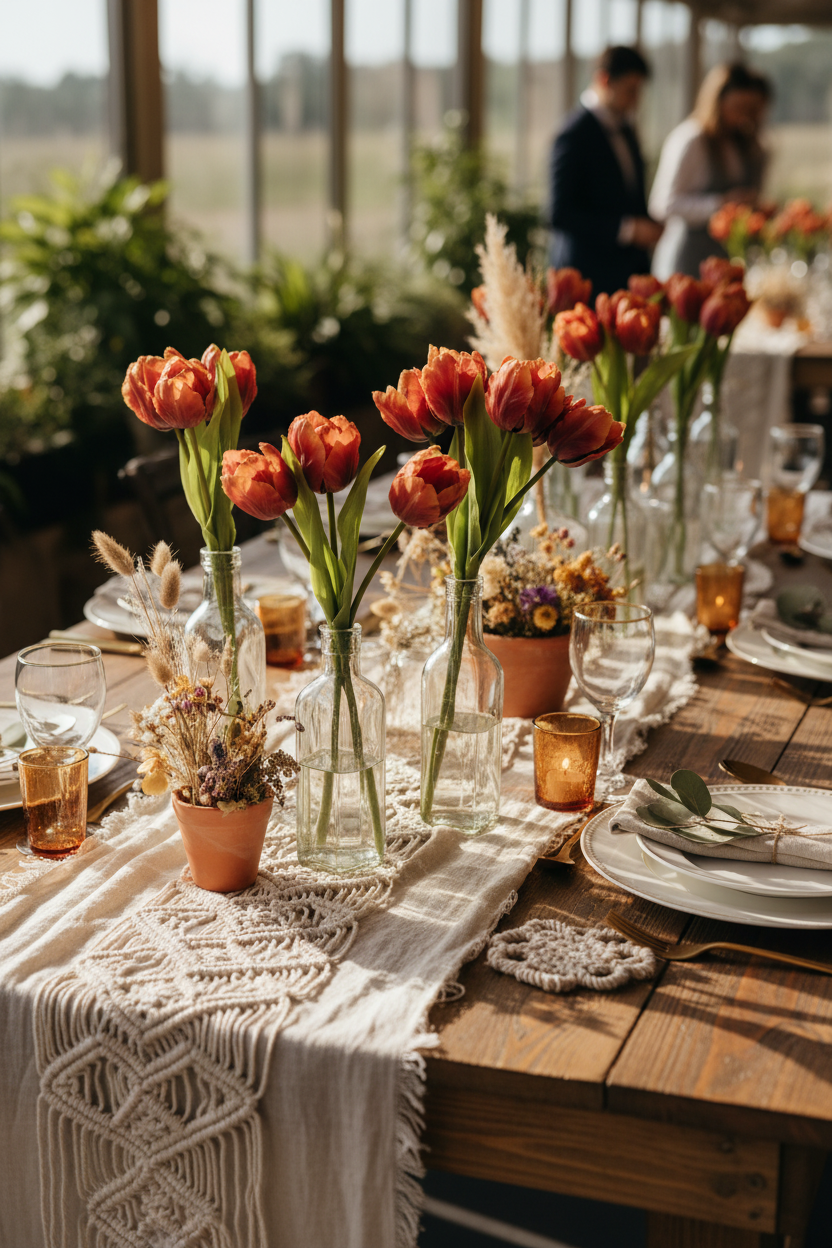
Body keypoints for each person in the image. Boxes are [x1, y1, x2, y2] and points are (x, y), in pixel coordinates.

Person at [548, 46, 662, 297]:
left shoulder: (627, 129)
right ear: (604, 80)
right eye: (630, 90)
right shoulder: (574, 134)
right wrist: (629, 230)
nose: (636, 100)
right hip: (588, 280)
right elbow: (560, 214)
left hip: (626, 274)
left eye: (639, 91)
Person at [649, 63, 772, 278]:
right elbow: (662, 204)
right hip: (686, 258)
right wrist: (721, 204)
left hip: (723, 259)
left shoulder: (742, 141)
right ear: (717, 101)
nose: (742, 116)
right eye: (737, 107)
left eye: (748, 109)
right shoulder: (692, 139)